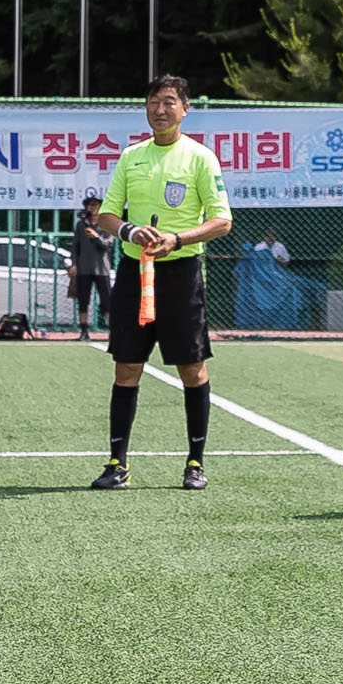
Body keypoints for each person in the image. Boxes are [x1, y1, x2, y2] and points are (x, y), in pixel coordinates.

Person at [88, 75, 233, 491]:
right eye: (153, 101)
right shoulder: (131, 157)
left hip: (182, 275)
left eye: (169, 102)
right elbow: (108, 215)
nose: (160, 109)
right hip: (135, 275)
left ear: (185, 109)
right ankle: (117, 463)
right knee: (127, 366)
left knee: (192, 368)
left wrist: (178, 239)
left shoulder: (201, 158)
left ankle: (195, 463)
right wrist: (132, 233)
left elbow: (222, 220)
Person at [68, 195, 111, 340]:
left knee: (106, 302)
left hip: (102, 269)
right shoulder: (81, 225)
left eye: (96, 205)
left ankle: (112, 332)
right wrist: (73, 263)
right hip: (84, 268)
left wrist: (96, 236)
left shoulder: (106, 224)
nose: (93, 208)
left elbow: (107, 245)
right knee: (83, 301)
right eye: (91, 206)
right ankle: (84, 331)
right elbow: (75, 246)